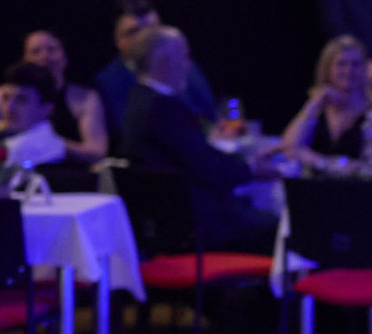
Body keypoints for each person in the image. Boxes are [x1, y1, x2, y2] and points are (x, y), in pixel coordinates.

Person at [118, 26, 276, 248]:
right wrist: (251, 169)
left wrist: (245, 164)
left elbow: (195, 156)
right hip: (195, 225)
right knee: (278, 225)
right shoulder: (162, 107)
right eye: (184, 56)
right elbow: (206, 168)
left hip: (173, 219)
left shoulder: (138, 99)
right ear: (165, 61)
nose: (188, 65)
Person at [0, 30, 107, 163]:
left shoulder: (85, 98)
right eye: (35, 51)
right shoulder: (6, 93)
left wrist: (46, 140)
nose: (44, 56)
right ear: (24, 59)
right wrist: (6, 125)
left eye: (51, 49)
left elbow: (97, 151)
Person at [94, 0, 218, 144]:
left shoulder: (184, 66)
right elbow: (127, 133)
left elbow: (209, 114)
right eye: (133, 32)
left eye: (151, 30)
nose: (144, 38)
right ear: (117, 39)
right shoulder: (108, 82)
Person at [281, 36, 372, 170]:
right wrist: (314, 104)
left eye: (356, 64)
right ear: (327, 68)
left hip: (358, 182)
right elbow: (289, 148)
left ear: (364, 69)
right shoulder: (317, 108)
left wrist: (316, 160)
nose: (349, 70)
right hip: (314, 182)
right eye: (341, 64)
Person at [0, 61, 68, 169]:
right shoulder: (56, 143)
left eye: (21, 100)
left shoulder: (17, 149)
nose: (10, 107)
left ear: (47, 108)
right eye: (6, 98)